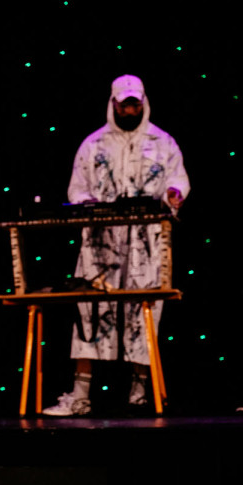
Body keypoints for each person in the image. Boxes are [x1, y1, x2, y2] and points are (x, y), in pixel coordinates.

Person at [44, 74, 190, 417]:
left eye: (135, 104)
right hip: (102, 241)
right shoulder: (93, 144)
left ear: (143, 103)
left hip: (147, 241)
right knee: (91, 310)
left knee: (145, 309)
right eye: (124, 105)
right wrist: (89, 205)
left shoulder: (163, 142)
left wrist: (174, 194)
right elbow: (76, 188)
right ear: (113, 104)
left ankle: (140, 392)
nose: (130, 110)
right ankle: (80, 395)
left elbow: (178, 178)